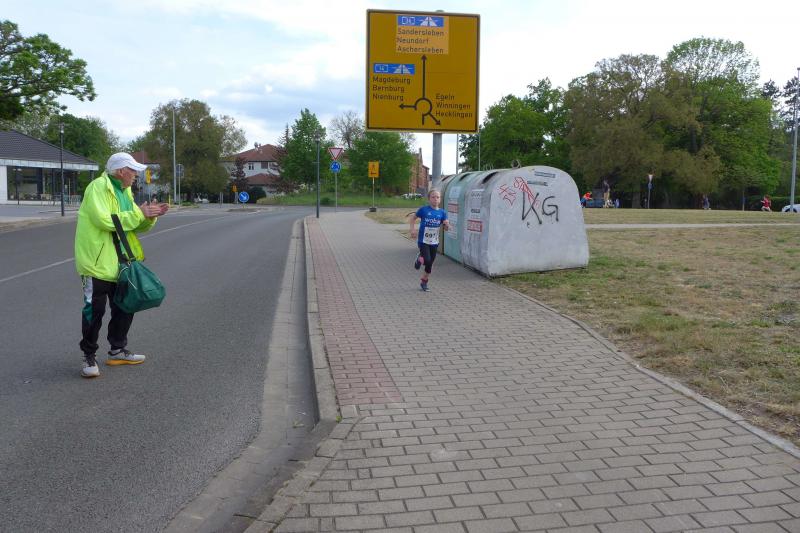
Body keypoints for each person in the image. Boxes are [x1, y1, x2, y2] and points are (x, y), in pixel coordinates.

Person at [74, 152, 169, 378]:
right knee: (94, 311)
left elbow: (132, 225)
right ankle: (88, 355)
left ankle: (117, 350)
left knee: (126, 306)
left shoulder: (125, 191)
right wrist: (139, 213)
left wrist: (150, 216)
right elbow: (105, 221)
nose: (135, 175)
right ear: (120, 171)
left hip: (122, 262)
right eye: (132, 170)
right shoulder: (97, 188)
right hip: (97, 263)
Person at [408, 189, 449, 292]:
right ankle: (420, 258)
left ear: (440, 199)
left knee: (430, 263)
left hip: (434, 241)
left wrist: (447, 225)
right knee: (427, 260)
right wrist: (412, 230)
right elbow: (413, 218)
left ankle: (424, 281)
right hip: (423, 241)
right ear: (429, 199)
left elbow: (446, 227)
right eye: (433, 197)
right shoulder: (423, 210)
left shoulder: (442, 212)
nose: (435, 199)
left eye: (437, 197)